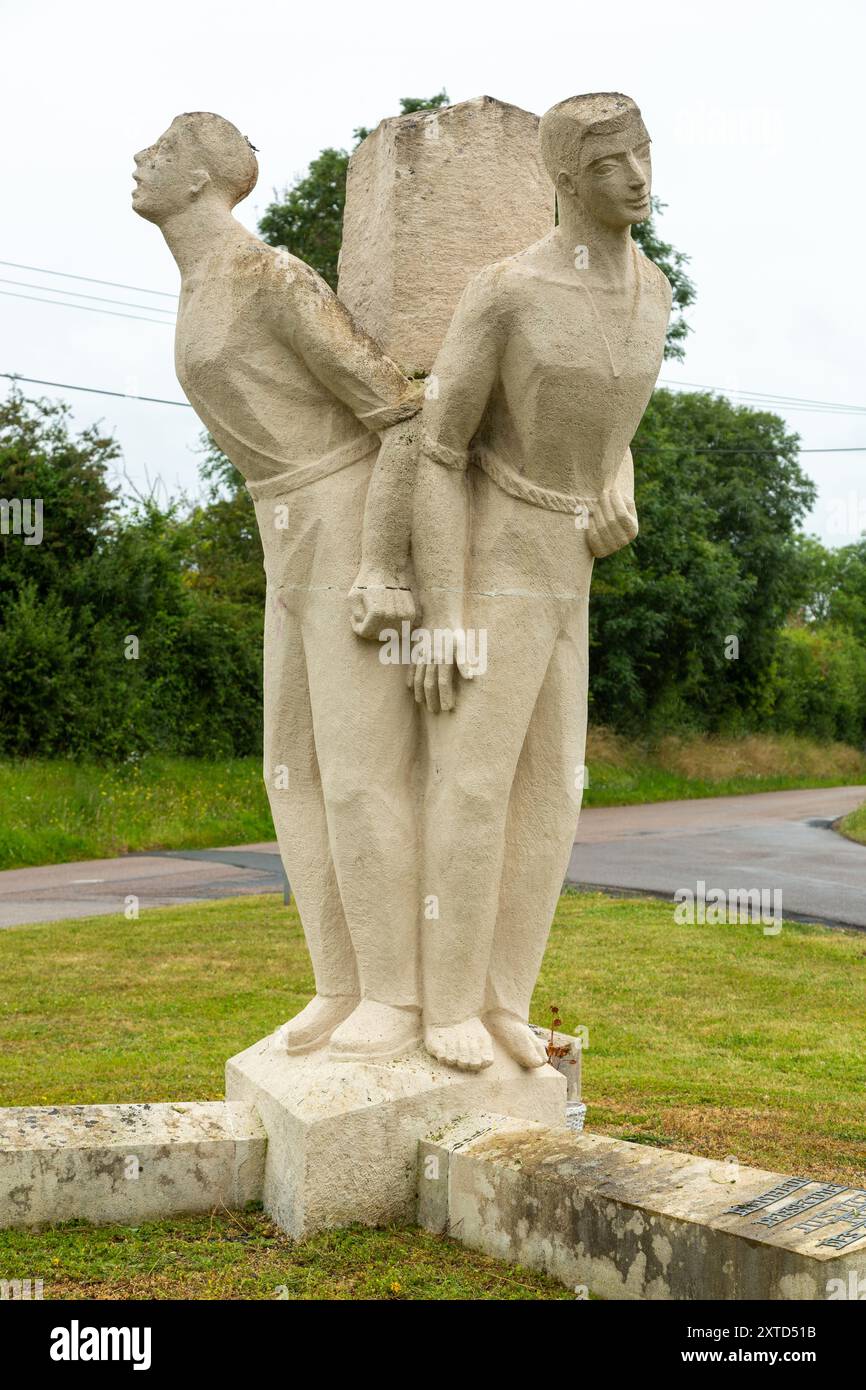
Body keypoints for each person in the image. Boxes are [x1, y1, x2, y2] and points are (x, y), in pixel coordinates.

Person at [133, 112, 425, 1061]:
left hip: (340, 513)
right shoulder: (199, 285)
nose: (141, 161)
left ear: (203, 176)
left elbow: (398, 409)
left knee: (357, 772)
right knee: (288, 770)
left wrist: (384, 558)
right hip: (281, 527)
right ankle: (339, 985)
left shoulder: (269, 275)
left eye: (162, 150)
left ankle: (397, 994)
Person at [409, 93, 671, 1071]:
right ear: (565, 177)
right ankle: (441, 1003)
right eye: (611, 161)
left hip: (573, 571)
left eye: (642, 152)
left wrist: (618, 478)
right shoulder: (507, 291)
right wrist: (438, 615)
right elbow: (438, 448)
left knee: (554, 790)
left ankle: (502, 999)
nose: (637, 175)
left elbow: (617, 424)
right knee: (475, 782)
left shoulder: (655, 294)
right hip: (499, 551)